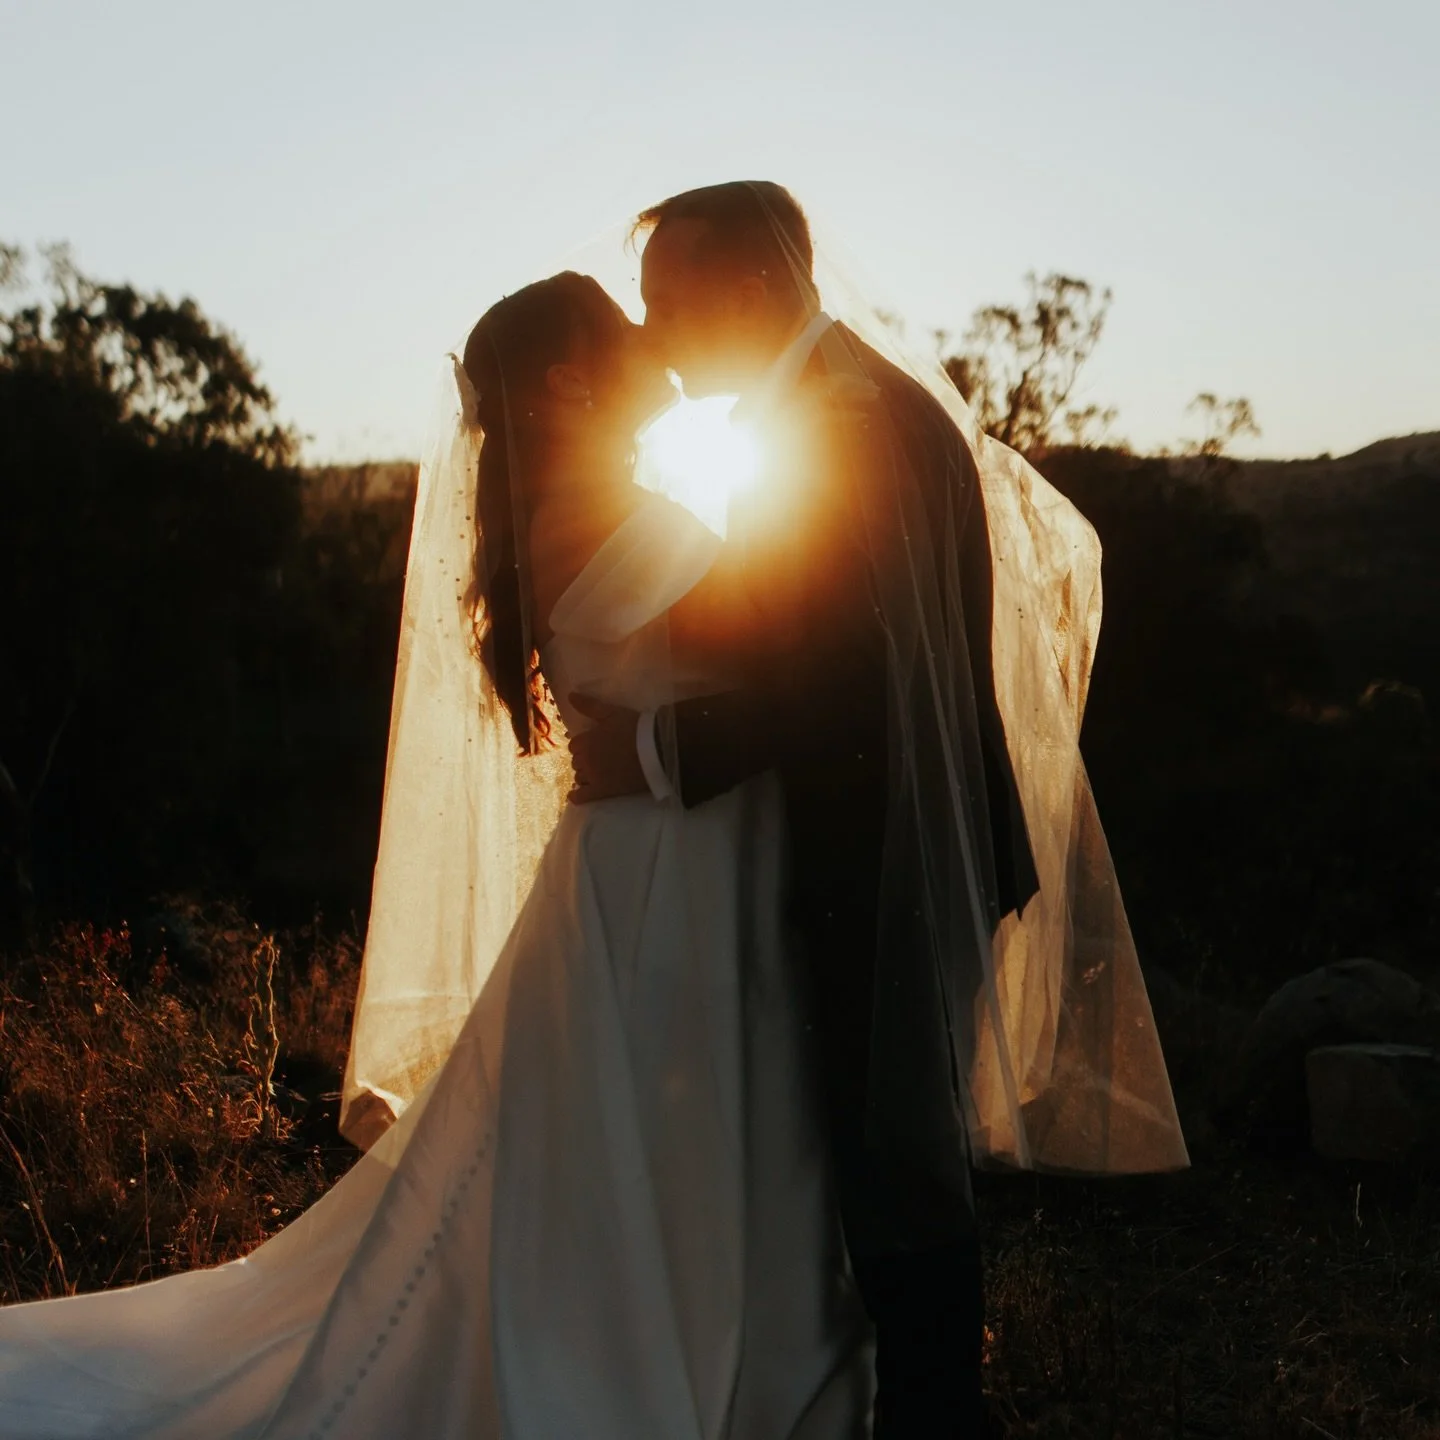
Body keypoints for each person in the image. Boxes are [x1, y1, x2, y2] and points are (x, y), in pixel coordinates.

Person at [0, 271, 874, 1438]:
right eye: (624, 336)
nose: (653, 348)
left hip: (676, 861)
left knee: (684, 1146)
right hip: (660, 881)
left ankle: (723, 1360)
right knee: (659, 1149)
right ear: (570, 381)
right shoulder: (587, 516)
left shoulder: (592, 503)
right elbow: (782, 630)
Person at [568, 180, 1040, 1435]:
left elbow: (842, 686)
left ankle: (937, 1417)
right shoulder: (846, 402)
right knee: (886, 1155)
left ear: (753, 289)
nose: (654, 333)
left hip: (881, 851)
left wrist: (656, 741)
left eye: (671, 301)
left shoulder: (844, 423)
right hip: (896, 838)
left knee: (895, 1169)